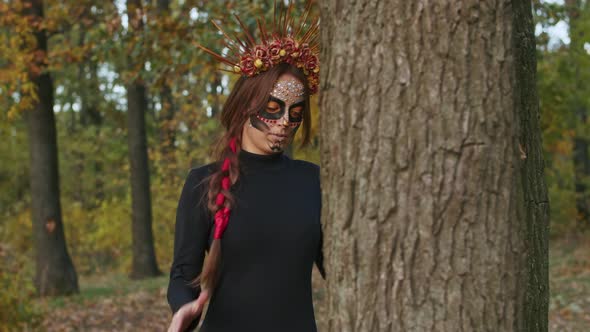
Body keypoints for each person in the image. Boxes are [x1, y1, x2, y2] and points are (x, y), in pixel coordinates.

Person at [166, 2, 324, 331]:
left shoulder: (314, 182)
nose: (283, 122)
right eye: (272, 108)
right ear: (246, 105)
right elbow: (183, 273)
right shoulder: (203, 182)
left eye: (295, 113)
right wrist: (184, 308)